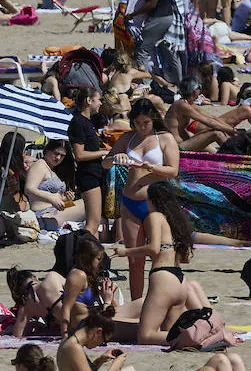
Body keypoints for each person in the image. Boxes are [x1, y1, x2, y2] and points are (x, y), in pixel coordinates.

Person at [108, 182, 215, 346]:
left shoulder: (155, 217)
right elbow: (184, 258)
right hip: (180, 281)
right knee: (168, 331)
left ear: (152, 200)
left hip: (163, 279)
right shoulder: (175, 221)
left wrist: (126, 252)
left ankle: (194, 339)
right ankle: (202, 335)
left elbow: (154, 248)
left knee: (145, 336)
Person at [105, 99, 180, 299]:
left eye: (146, 122)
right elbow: (105, 163)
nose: (142, 127)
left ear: (153, 119)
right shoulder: (128, 138)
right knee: (134, 259)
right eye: (138, 123)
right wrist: (115, 159)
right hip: (130, 201)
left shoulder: (165, 138)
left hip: (154, 203)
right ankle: (136, 303)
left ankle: (157, 300)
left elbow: (173, 170)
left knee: (159, 255)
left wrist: (150, 167)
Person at [68, 86, 107, 236]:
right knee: (92, 223)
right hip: (88, 175)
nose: (100, 104)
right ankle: (82, 254)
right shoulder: (78, 122)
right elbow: (79, 155)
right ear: (89, 101)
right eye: (98, 100)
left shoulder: (87, 122)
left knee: (95, 222)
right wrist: (103, 152)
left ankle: (91, 254)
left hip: (94, 173)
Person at [24, 139, 85, 226]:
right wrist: (51, 198)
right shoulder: (40, 165)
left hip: (54, 211)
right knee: (88, 203)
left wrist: (65, 198)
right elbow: (29, 189)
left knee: (89, 202)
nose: (58, 158)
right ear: (47, 150)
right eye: (56, 153)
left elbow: (55, 198)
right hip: (43, 214)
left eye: (62, 156)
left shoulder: (53, 169)